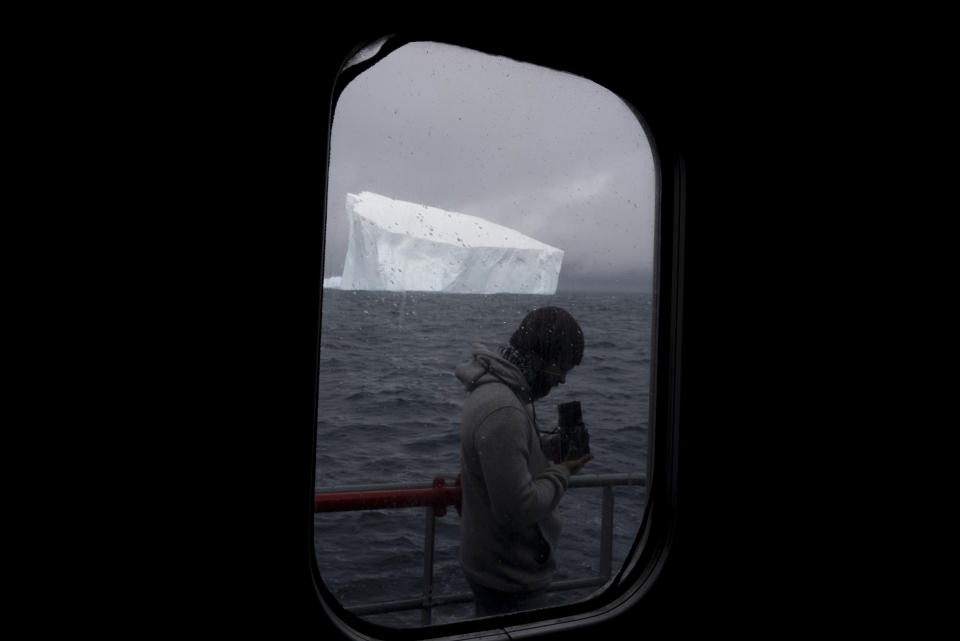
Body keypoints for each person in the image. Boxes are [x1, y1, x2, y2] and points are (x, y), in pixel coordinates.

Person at [455, 306, 593, 617]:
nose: (562, 382)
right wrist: (563, 470)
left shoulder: (495, 391)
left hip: (492, 564)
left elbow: (501, 455)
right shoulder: (504, 409)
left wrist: (543, 449)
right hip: (509, 578)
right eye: (562, 369)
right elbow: (518, 508)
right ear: (541, 357)